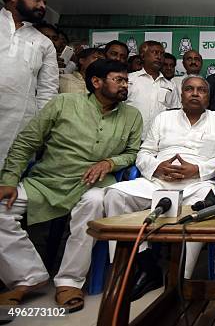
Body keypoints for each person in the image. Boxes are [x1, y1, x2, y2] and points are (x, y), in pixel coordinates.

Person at [0, 59, 142, 313]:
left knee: (96, 202)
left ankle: (69, 282)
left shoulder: (132, 115)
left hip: (93, 184)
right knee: (1, 208)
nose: (124, 86)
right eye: (118, 80)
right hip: (47, 182)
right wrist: (9, 180)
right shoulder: (63, 103)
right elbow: (26, 142)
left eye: (126, 81)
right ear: (96, 82)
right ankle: (27, 277)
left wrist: (110, 162)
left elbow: (132, 153)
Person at [104, 75, 215, 300]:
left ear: (208, 97)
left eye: (201, 90)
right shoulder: (164, 118)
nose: (195, 93)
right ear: (181, 94)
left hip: (197, 184)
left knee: (205, 205)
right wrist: (157, 167)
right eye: (189, 89)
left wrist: (198, 168)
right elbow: (144, 153)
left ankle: (181, 278)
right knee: (115, 194)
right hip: (157, 182)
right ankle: (144, 266)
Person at [0, 0, 59, 168]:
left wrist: (39, 128)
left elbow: (47, 90)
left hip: (19, 122)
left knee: (8, 173)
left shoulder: (44, 43)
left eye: (44, 3)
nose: (42, 6)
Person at [126, 41, 180, 136]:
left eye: (162, 54)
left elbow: (175, 114)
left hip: (160, 139)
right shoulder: (129, 80)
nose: (159, 57)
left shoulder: (170, 85)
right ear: (143, 56)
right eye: (155, 52)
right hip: (130, 138)